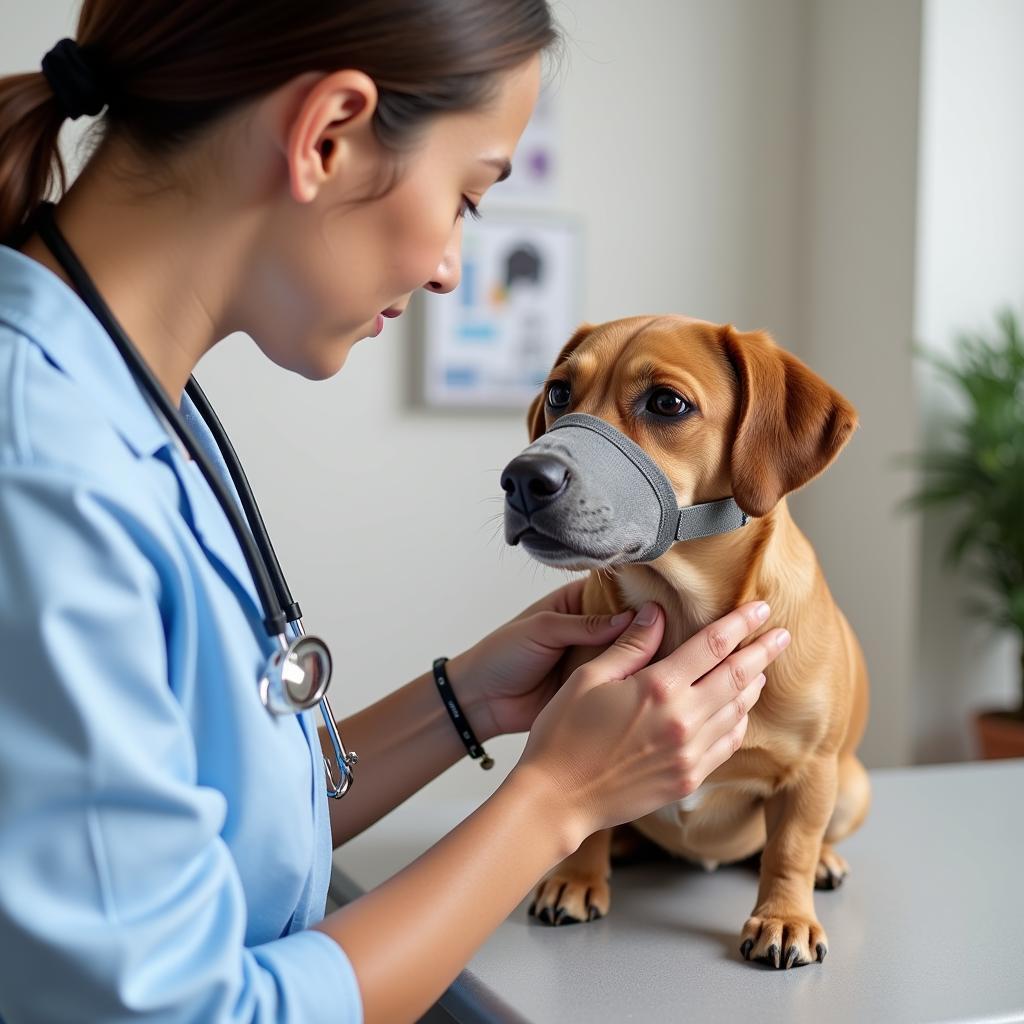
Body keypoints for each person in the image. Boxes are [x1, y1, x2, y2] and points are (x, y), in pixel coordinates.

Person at [0, 3, 789, 1021]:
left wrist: (466, 700)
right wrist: (558, 798)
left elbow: (212, 829)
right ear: (327, 134)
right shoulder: (43, 472)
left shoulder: (137, 405)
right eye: (467, 194)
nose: (453, 266)